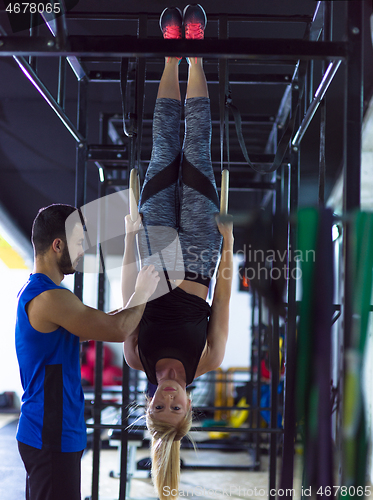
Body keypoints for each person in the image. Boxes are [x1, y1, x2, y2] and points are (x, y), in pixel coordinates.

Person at [121, 5, 234, 500]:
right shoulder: (208, 358)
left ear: (148, 407)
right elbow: (224, 298)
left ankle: (172, 55)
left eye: (159, 408)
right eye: (177, 408)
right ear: (190, 406)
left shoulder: (134, 356)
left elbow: (127, 297)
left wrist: (127, 235)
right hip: (201, 255)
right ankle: (198, 56)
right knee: (198, 150)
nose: (168, 397)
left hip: (152, 246)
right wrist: (229, 248)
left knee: (165, 150)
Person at [15, 203, 159, 500]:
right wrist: (143, 292)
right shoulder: (49, 298)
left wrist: (135, 299)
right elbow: (117, 330)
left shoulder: (40, 293)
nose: (83, 251)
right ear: (58, 245)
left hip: (51, 431)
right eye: (79, 243)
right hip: (50, 434)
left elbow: (104, 321)